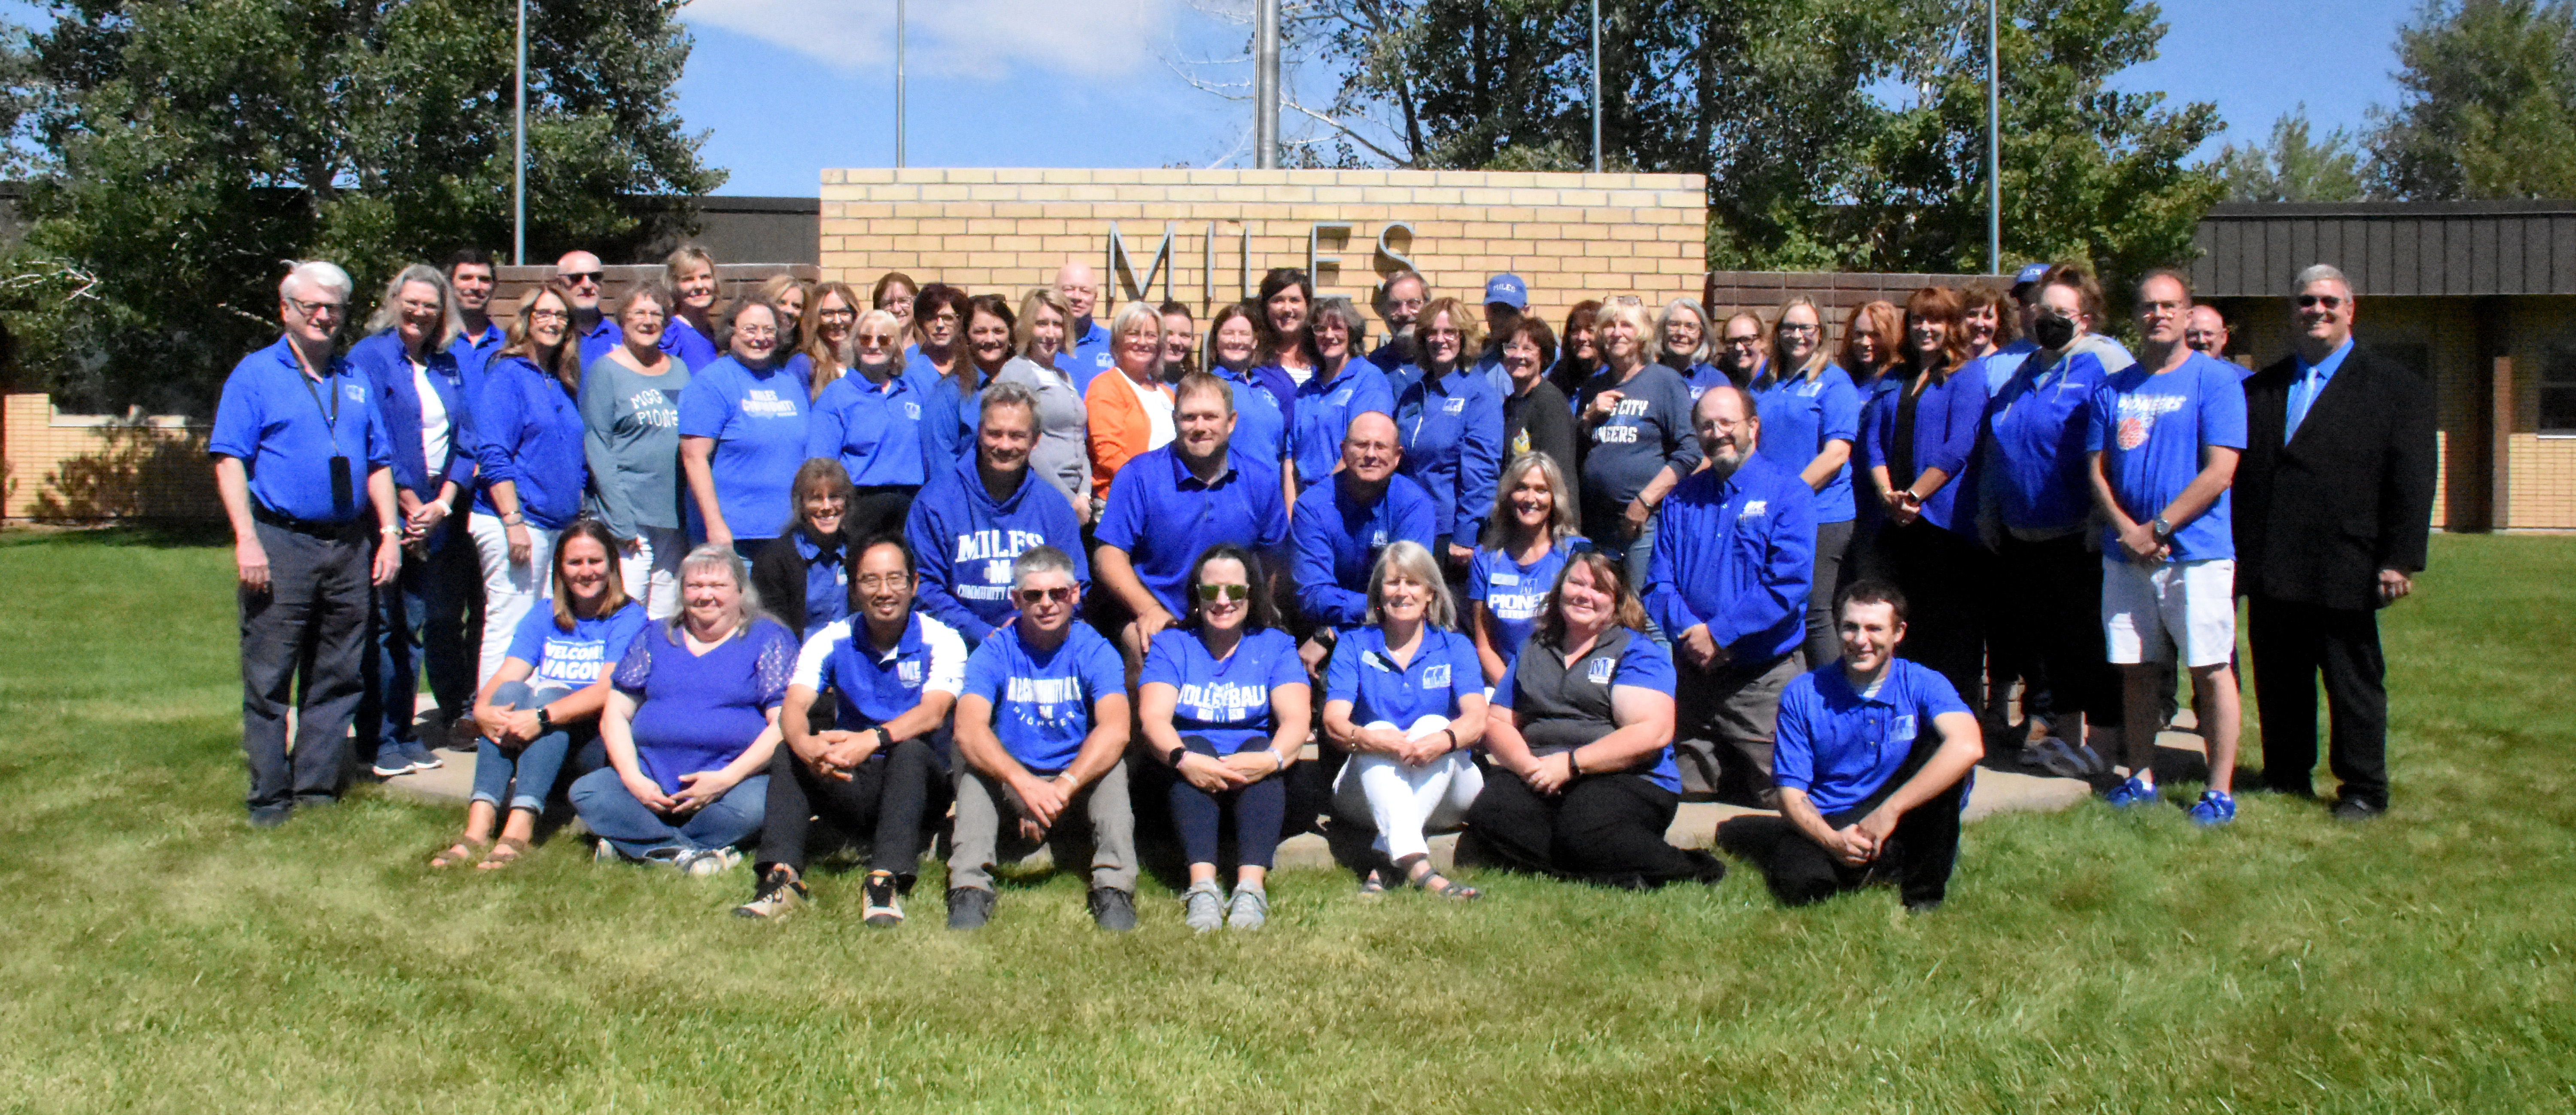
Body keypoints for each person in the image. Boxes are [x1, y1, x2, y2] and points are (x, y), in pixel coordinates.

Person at [2236, 264, 2436, 821]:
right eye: (2305, 302)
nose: (2316, 311)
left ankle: (2364, 789)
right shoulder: (2260, 390)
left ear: (2351, 309)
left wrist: (2399, 558)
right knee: (2280, 680)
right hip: (2274, 565)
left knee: (2354, 686)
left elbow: (2414, 480)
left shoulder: (2397, 389)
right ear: (2291, 311)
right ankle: (2286, 775)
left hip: (2347, 562)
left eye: (2328, 301)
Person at [210, 260, 402, 826]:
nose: (324, 316)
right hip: (281, 542)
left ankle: (314, 789)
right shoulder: (255, 374)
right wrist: (246, 540)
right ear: (285, 310)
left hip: (349, 546)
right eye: (312, 306)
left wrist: (388, 534)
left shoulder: (354, 377)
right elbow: (229, 461)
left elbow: (379, 464)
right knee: (271, 678)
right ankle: (269, 798)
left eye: (334, 308)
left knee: (338, 673)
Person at [2084, 269, 2247, 823]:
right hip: (2125, 553)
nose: (2159, 315)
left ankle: (2219, 790)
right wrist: (2129, 532)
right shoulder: (2113, 389)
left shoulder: (2216, 381)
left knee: (2210, 668)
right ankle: (2142, 777)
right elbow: (2096, 471)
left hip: (2195, 553)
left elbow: (2220, 471)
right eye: (2149, 306)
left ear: (2186, 312)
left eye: (2169, 306)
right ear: (2137, 317)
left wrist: (2159, 528)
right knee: (2136, 668)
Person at [1465, 550, 1728, 888]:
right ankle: (1606, 874)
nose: (1584, 594)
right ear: (1560, 589)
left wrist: (1571, 764)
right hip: (1542, 771)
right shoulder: (1535, 647)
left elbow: (1653, 732)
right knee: (1492, 812)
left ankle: (1692, 868)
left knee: (1584, 826)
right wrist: (1528, 767)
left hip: (1628, 777)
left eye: (1599, 589)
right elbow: (1498, 721)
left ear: (1616, 602)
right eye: (1576, 583)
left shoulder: (1636, 651)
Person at [739, 536, 966, 924]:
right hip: (851, 775)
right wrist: (806, 745)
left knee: (909, 751)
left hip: (918, 784)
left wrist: (871, 739)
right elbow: (794, 705)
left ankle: (885, 881)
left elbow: (934, 712)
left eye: (895, 580)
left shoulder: (941, 640)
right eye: (871, 581)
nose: (884, 592)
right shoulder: (830, 639)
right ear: (854, 588)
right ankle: (782, 878)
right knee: (787, 752)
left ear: (913, 585)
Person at [1714, 582, 1983, 911]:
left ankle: (1923, 898)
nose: (1860, 640)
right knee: (1802, 887)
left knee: (1942, 753)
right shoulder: (1804, 693)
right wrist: (1833, 842)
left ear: (1899, 633)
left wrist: (1890, 812)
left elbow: (1969, 746)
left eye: (1874, 629)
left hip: (1897, 812)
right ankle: (1862, 863)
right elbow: (1790, 794)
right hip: (1832, 817)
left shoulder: (1922, 681)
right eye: (1850, 628)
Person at [1981, 263, 2131, 777]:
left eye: (2062, 313)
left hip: (2077, 537)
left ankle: (2107, 749)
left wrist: (2099, 517)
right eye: (2043, 311)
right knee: (2051, 649)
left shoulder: (2099, 370)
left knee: (2090, 646)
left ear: (2084, 320)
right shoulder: (2021, 375)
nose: (2048, 321)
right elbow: (1999, 449)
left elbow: (2114, 450)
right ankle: (2069, 744)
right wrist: (1991, 511)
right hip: (2023, 537)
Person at [436, 520, 649, 869]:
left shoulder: (629, 616)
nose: (586, 572)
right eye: (575, 563)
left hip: (593, 744)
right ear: (560, 569)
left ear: (612, 564)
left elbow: (607, 690)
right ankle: (478, 825)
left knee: (549, 695)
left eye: (595, 561)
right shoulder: (543, 614)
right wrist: (483, 711)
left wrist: (542, 716)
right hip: (536, 738)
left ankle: (519, 826)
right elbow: (507, 673)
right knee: (509, 692)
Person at [945, 546, 1138, 931]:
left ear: (1075, 594)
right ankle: (970, 887)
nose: (1047, 604)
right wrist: (1024, 785)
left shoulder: (1095, 650)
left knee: (1111, 766)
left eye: (1058, 593)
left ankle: (1114, 888)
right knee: (973, 769)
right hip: (1013, 779)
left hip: (1075, 778)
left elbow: (1117, 728)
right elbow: (968, 729)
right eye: (1033, 596)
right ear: (1016, 600)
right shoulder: (995, 651)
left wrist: (1062, 787)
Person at [571, 545, 792, 874]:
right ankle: (688, 853)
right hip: (649, 785)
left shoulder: (769, 639)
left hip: (729, 786)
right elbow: (616, 713)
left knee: (762, 804)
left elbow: (782, 725)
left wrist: (724, 780)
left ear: (741, 592)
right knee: (588, 791)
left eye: (718, 586)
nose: (705, 596)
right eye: (694, 586)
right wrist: (633, 780)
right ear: (682, 591)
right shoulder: (655, 635)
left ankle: (639, 844)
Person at [1646, 386, 1815, 804]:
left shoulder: (1789, 494)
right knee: (1674, 789)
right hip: (1697, 680)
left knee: (1783, 797)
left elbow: (1787, 583)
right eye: (1706, 425)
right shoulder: (1681, 498)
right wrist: (1695, 636)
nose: (1717, 432)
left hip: (1761, 679)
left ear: (1752, 427)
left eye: (1727, 422)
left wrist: (1720, 633)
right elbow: (1657, 584)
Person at [1138, 545, 1312, 932]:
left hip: (1256, 784)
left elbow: (1297, 720)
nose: (1222, 601)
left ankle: (1250, 890)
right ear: (1195, 596)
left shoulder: (1276, 645)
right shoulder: (1172, 646)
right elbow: (1153, 719)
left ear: (1251, 594)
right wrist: (1186, 760)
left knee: (1259, 750)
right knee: (1193, 746)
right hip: (1187, 783)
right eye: (1210, 591)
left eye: (1234, 591)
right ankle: (1202, 889)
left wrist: (1271, 759)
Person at [350, 264, 475, 776]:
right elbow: (371, 436)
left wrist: (443, 503)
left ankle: (403, 732)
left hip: (435, 516)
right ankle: (377, 738)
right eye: (413, 301)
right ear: (395, 299)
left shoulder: (447, 365)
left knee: (416, 628)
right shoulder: (370, 357)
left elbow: (468, 439)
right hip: (387, 513)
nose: (421, 312)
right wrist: (405, 502)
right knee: (384, 627)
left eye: (431, 305)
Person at [1321, 541, 1487, 899]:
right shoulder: (1354, 645)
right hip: (1367, 794)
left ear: (1431, 593)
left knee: (1433, 726)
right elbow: (1335, 723)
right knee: (1375, 731)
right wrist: (1381, 742)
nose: (1402, 592)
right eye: (1393, 582)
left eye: (1413, 583)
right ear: (1378, 591)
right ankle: (1420, 870)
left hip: (1449, 789)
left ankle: (1385, 857)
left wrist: (1439, 742)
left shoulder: (1454, 647)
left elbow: (1476, 720)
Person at [1094, 372, 1292, 664]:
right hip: (1161, 612)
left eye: (1211, 417)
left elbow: (1274, 563)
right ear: (1175, 421)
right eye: (1189, 418)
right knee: (1143, 650)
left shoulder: (1260, 480)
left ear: (1231, 422)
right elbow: (1108, 556)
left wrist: (1264, 613)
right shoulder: (1139, 476)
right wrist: (1147, 609)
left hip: (1233, 613)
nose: (1200, 427)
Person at [1861, 287, 1990, 707]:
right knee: (1905, 631)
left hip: (1942, 526)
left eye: (1935, 320)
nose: (1925, 328)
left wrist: (1914, 496)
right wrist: (1888, 496)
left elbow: (1959, 446)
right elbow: (1873, 444)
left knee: (1948, 635)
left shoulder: (1967, 376)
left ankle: (1956, 730)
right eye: (1917, 319)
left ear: (1952, 325)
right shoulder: (1894, 377)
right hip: (1894, 525)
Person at [468, 281, 587, 686]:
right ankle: (493, 722)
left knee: (543, 628)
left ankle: (529, 719)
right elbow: (493, 453)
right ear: (526, 321)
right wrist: (512, 519)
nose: (553, 323)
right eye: (544, 314)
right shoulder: (508, 374)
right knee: (511, 626)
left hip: (557, 526)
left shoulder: (561, 381)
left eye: (561, 316)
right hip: (517, 523)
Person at [908, 383, 1090, 644]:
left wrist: (1031, 628)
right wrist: (983, 633)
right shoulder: (936, 502)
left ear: (1035, 440)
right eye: (995, 434)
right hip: (956, 645)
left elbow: (1077, 586)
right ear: (979, 433)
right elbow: (923, 587)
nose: (1004, 446)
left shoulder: (1054, 507)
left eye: (1017, 436)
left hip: (1038, 644)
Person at [1748, 296, 1861, 669]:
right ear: (1777, 334)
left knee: (1813, 610)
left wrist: (1789, 496)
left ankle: (1835, 702)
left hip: (1822, 513)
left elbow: (1836, 455)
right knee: (1777, 605)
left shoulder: (1835, 382)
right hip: (1770, 513)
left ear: (1820, 333)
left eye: (1806, 328)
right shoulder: (1765, 381)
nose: (1798, 336)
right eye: (1790, 328)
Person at [580, 286, 691, 619]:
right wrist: (621, 521)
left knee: (665, 616)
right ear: (623, 322)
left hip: (673, 516)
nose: (648, 321)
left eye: (656, 314)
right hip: (629, 516)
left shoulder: (680, 371)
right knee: (626, 611)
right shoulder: (606, 371)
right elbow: (597, 445)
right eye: (639, 314)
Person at [1574, 299, 1701, 586]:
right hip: (1597, 524)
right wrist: (1588, 417)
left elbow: (1690, 451)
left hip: (1644, 523)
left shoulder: (1664, 382)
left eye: (1626, 325)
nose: (1616, 333)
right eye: (1609, 326)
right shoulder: (1594, 387)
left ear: (1642, 332)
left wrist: (1645, 501)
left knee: (1641, 607)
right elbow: (1579, 450)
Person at [1291, 412, 1438, 651]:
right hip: (1323, 629)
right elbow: (1313, 595)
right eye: (1361, 445)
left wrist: (1335, 634)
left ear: (1397, 456)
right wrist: (1378, 607)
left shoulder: (1414, 506)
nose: (1371, 455)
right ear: (1343, 450)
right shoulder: (1312, 507)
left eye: (1381, 447)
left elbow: (1408, 595)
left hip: (1395, 634)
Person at [680, 300, 806, 558]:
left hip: (788, 536)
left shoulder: (789, 382)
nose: (760, 338)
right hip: (734, 539)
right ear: (731, 333)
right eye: (751, 330)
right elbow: (694, 458)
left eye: (769, 331)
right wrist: (715, 526)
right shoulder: (711, 382)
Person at [806, 308, 946, 540]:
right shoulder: (837, 395)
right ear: (855, 344)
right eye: (865, 338)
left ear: (896, 348)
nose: (873, 345)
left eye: (883, 339)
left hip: (910, 505)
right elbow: (821, 465)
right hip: (860, 507)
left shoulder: (911, 393)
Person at [1395, 296, 1504, 573]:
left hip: (1448, 532)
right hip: (1407, 522)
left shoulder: (1478, 395)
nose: (1440, 340)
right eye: (1432, 332)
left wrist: (1465, 535)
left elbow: (1481, 471)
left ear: (1464, 337)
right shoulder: (1412, 394)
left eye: (1449, 332)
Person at [1467, 453, 1586, 685]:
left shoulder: (1576, 554)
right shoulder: (1484, 558)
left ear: (1555, 498)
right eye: (1522, 488)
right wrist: (1512, 694)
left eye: (1541, 490)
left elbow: (1588, 636)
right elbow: (1484, 646)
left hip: (1564, 684)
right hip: (1505, 685)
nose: (1530, 499)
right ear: (1508, 495)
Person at [992, 288, 1094, 520]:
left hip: (1077, 500)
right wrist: (1068, 498)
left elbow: (1078, 437)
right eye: (1042, 324)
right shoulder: (1017, 372)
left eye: (1057, 325)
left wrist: (1085, 493)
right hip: (1040, 496)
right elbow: (1023, 445)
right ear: (1028, 327)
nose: (1050, 334)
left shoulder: (1063, 376)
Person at [1287, 298, 1397, 495]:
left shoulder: (1368, 380)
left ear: (1351, 332)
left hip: (1348, 498)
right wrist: (1293, 511)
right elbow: (1291, 459)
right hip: (1306, 500)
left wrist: (1321, 500)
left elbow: (1365, 449)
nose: (1329, 335)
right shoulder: (1306, 391)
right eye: (1320, 329)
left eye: (1338, 327)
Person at [750, 460, 858, 643]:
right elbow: (773, 630)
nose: (827, 507)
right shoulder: (773, 561)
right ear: (801, 506)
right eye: (816, 499)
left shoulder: (860, 552)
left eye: (834, 497)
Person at [1200, 301, 1295, 506]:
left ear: (1254, 342)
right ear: (1216, 341)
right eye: (1228, 334)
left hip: (1271, 501)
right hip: (1229, 500)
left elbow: (1281, 455)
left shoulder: (1265, 390)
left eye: (1244, 334)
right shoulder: (1208, 388)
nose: (1236, 341)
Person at [1084, 301, 1178, 502]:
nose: (1142, 342)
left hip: (1165, 500)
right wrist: (1154, 483)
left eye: (1151, 335)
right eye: (1134, 333)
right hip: (1124, 500)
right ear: (1118, 340)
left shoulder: (1167, 394)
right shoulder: (1106, 386)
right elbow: (1108, 455)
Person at [1840, 299, 1906, 580]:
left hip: (1881, 504)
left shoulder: (1898, 381)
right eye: (1859, 334)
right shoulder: (1844, 380)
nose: (1865, 342)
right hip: (1846, 499)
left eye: (1874, 335)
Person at [1498, 317, 1580, 487]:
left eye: (1528, 349)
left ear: (1544, 357)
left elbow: (1560, 473)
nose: (1519, 356)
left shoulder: (1549, 402)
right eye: (1513, 347)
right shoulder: (1510, 404)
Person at [906, 283, 974, 464]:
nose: (940, 325)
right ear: (921, 323)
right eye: (931, 318)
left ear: (960, 321)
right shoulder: (910, 373)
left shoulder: (974, 367)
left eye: (948, 318)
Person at [444, 248, 507, 393]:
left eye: (484, 280)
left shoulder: (508, 346)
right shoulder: (435, 342)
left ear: (494, 287)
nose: (476, 287)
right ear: (450, 284)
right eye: (466, 278)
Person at [794, 280, 863, 404]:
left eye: (844, 312)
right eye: (828, 313)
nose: (837, 321)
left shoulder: (864, 363)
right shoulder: (805, 365)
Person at [661, 245, 723, 373]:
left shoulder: (710, 332)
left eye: (705, 277)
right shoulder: (670, 334)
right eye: (688, 279)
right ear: (674, 286)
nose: (699, 286)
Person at [1255, 267, 1316, 387]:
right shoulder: (1253, 360)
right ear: (1266, 308)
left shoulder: (1322, 357)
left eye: (1295, 300)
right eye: (1278, 301)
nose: (1287, 309)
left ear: (1307, 306)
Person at [1655, 296, 1728, 397]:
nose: (1681, 333)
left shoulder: (1714, 380)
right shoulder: (1648, 376)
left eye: (1690, 326)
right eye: (1674, 325)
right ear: (1663, 331)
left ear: (1701, 335)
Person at [556, 250, 618, 365]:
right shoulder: (550, 336)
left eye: (595, 277)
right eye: (576, 278)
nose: (587, 285)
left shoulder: (621, 338)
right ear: (559, 284)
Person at [1057, 260, 1115, 382]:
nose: (1076, 297)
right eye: (1069, 289)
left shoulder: (1113, 344)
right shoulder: (1043, 344)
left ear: (1095, 298)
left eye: (1085, 291)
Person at [1473, 274, 1528, 399]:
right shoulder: (1474, 359)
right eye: (1496, 310)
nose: (1501, 319)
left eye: (1509, 311)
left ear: (1524, 312)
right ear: (1486, 311)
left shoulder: (1543, 357)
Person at [1368, 268, 1428, 372]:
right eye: (1395, 305)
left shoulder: (1442, 364)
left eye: (1412, 303)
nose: (1404, 313)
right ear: (1384, 312)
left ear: (1428, 308)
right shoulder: (1373, 365)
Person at [1548, 300, 1602, 402]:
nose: (1581, 337)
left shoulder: (1612, 377)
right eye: (1575, 330)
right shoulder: (1559, 375)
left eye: (1590, 330)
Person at [753, 274, 807, 350]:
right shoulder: (749, 346)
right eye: (782, 303)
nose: (789, 310)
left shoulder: (804, 354)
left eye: (797, 306)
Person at [2184, 305, 2243, 374]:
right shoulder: (2172, 376)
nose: (2201, 341)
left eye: (2208, 334)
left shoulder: (2242, 379)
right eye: (2193, 334)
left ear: (2223, 337)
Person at [1714, 311, 1766, 387]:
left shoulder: (1778, 380)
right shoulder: (1722, 379)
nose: (1738, 348)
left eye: (1746, 340)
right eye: (1731, 342)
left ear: (1763, 341)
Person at [873, 271, 918, 348]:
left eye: (903, 301)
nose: (896, 309)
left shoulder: (932, 353)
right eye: (888, 303)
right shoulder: (870, 351)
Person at [1159, 300, 1198, 381]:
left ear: (1192, 340)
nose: (1176, 342)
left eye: (1184, 335)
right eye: (1168, 334)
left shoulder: (1197, 385)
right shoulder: (1136, 382)